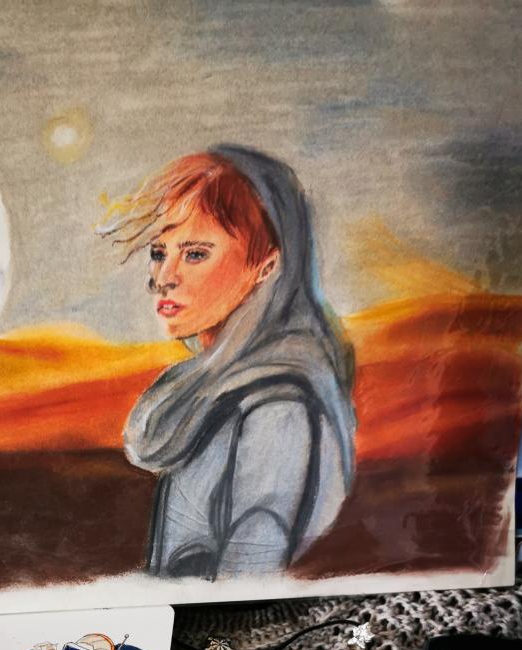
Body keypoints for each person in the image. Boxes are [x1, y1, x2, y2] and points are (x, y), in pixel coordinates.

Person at [99, 148, 356, 579]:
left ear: (266, 266)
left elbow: (248, 584)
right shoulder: (207, 391)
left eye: (195, 254)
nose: (164, 277)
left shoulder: (277, 408)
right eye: (159, 253)